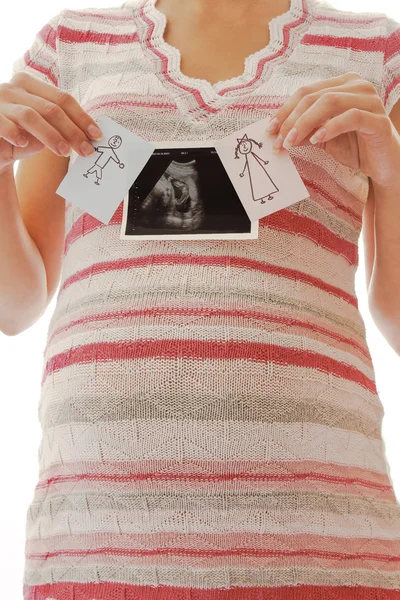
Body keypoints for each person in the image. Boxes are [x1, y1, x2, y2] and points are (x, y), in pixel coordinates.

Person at [1, 0, 400, 597]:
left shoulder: (376, 52)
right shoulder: (71, 44)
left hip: (319, 532)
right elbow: (14, 307)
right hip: (98, 533)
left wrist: (395, 173)